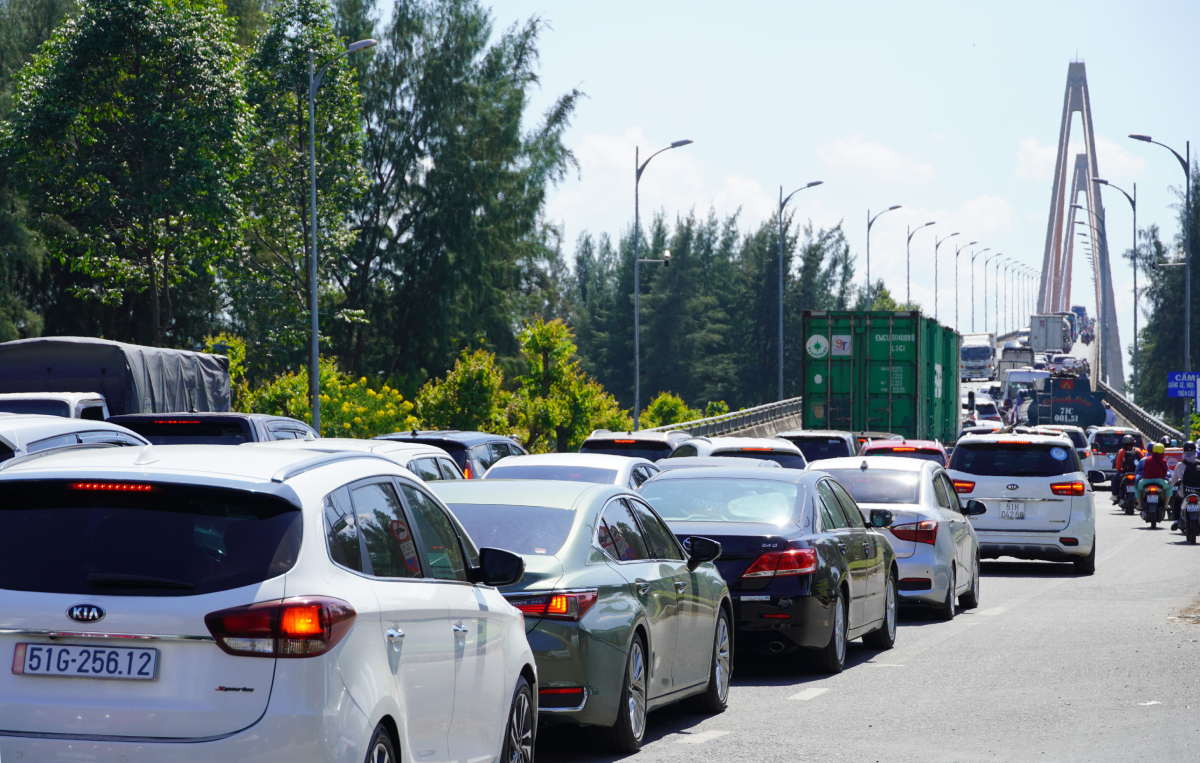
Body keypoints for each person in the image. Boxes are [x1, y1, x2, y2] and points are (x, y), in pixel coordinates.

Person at [1137, 442, 1172, 521]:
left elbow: (1145, 470)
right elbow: (1165, 473)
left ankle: (1139, 504)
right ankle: (1166, 504)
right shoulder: (1164, 461)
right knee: (1169, 487)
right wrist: (1161, 478)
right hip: (1159, 481)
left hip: (1146, 480)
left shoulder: (1147, 459)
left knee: (1138, 487)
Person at [1112, 435, 1144, 505]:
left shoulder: (1121, 451)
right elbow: (1144, 461)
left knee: (1115, 479)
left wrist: (1118, 471)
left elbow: (1118, 463)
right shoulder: (1138, 450)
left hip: (1124, 472)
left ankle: (1115, 496)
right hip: (1136, 472)